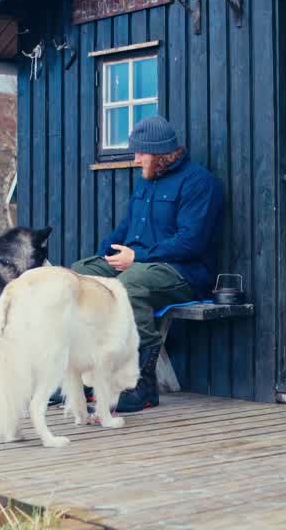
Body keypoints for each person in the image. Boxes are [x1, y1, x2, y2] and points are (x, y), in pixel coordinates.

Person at [63, 115, 223, 413]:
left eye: (140, 153)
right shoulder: (147, 182)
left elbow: (191, 242)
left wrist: (137, 258)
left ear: (161, 153)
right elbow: (126, 229)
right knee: (81, 275)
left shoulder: (199, 183)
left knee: (131, 284)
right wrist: (103, 257)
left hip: (183, 273)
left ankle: (142, 385)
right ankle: (87, 380)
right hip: (137, 264)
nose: (135, 160)